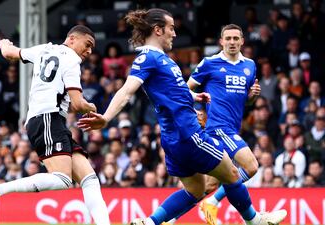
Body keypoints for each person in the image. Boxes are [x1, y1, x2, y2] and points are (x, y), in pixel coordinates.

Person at [77, 9, 286, 225]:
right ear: (158, 30)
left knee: (195, 190)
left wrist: (194, 97)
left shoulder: (162, 60)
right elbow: (127, 90)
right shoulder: (148, 58)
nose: (174, 34)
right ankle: (255, 220)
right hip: (188, 134)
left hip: (173, 138)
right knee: (232, 174)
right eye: (171, 28)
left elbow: (172, 92)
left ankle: (149, 222)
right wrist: (106, 117)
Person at [0, 25, 110, 225]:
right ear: (72, 39)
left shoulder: (44, 49)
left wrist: (3, 44)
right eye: (88, 44)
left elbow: (10, 53)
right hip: (48, 118)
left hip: (46, 120)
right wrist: (93, 108)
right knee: (63, 179)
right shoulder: (72, 60)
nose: (89, 51)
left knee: (90, 179)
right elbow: (77, 103)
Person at [183, 24, 261, 225]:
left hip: (233, 128)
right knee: (251, 166)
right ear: (221, 41)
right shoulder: (210, 63)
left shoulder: (250, 66)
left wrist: (251, 97)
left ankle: (169, 218)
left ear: (242, 41)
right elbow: (184, 89)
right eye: (228, 39)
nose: (232, 42)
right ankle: (213, 203)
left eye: (236, 38)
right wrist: (194, 110)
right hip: (217, 127)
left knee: (208, 185)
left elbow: (246, 99)